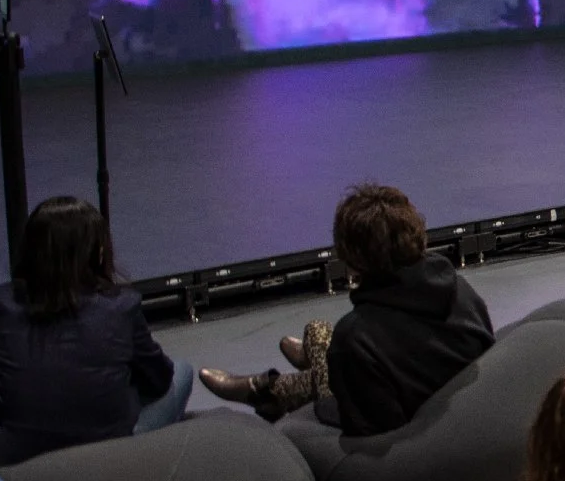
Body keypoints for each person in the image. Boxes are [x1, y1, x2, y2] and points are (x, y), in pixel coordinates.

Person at [201, 183, 494, 435]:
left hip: (403, 437)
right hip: (444, 402)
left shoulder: (356, 336)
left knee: (317, 332)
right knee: (325, 342)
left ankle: (269, 390)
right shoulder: (460, 290)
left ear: (352, 260)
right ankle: (273, 384)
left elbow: (365, 430)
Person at [0, 196, 193, 468]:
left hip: (18, 457)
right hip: (104, 456)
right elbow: (160, 379)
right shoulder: (122, 306)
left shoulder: (5, 302)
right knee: (183, 372)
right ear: (98, 252)